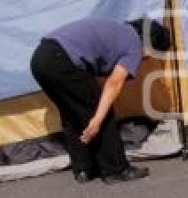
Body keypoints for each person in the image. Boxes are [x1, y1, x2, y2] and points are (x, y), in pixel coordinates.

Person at [30, 17, 171, 183]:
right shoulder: (134, 45)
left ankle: (83, 168)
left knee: (71, 114)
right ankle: (116, 170)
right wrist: (97, 119)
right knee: (101, 110)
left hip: (40, 59)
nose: (146, 59)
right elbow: (113, 83)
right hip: (61, 60)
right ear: (150, 46)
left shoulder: (120, 29)